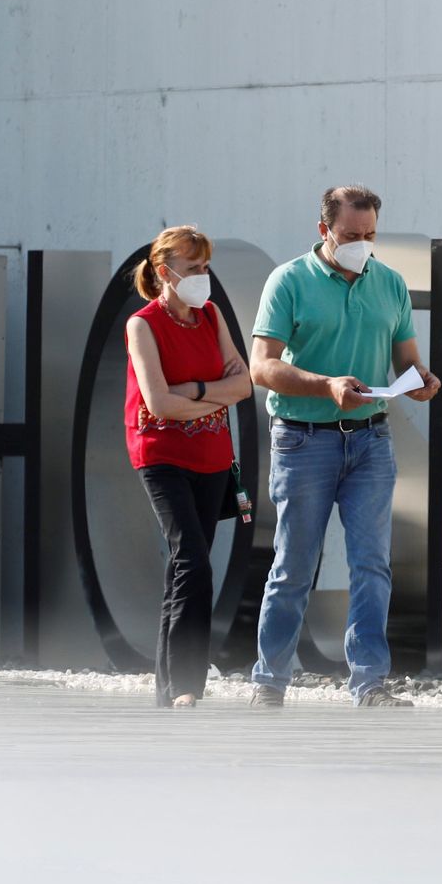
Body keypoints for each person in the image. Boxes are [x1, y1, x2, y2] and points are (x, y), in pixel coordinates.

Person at [247, 186, 441, 708]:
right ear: (324, 231)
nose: (362, 244)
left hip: (372, 440)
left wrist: (419, 380)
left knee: (372, 564)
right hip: (303, 440)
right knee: (293, 566)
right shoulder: (288, 280)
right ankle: (269, 683)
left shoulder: (391, 284)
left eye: (371, 235)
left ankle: (370, 683)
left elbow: (405, 361)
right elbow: (261, 367)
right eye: (352, 235)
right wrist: (325, 385)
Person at [124, 226, 253, 708]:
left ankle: (169, 689)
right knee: (192, 562)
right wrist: (210, 394)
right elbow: (157, 404)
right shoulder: (143, 324)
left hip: (213, 457)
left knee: (186, 570)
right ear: (165, 272)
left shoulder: (211, 315)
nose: (204, 277)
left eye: (206, 267)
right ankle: (186, 688)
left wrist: (194, 393)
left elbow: (244, 386)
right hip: (161, 455)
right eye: (194, 268)